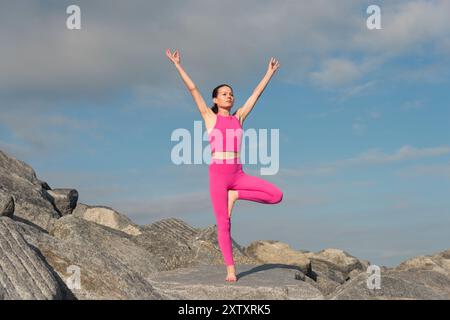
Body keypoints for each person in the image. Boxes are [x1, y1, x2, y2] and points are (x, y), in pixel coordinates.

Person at [166, 48, 283, 282]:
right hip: (218, 175)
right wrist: (177, 65)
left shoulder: (239, 117)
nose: (229, 96)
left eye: (231, 93)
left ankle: (236, 195)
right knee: (224, 223)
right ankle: (230, 268)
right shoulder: (211, 118)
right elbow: (193, 90)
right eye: (224, 93)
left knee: (276, 195)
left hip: (238, 174)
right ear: (215, 99)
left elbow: (256, 95)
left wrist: (269, 73)